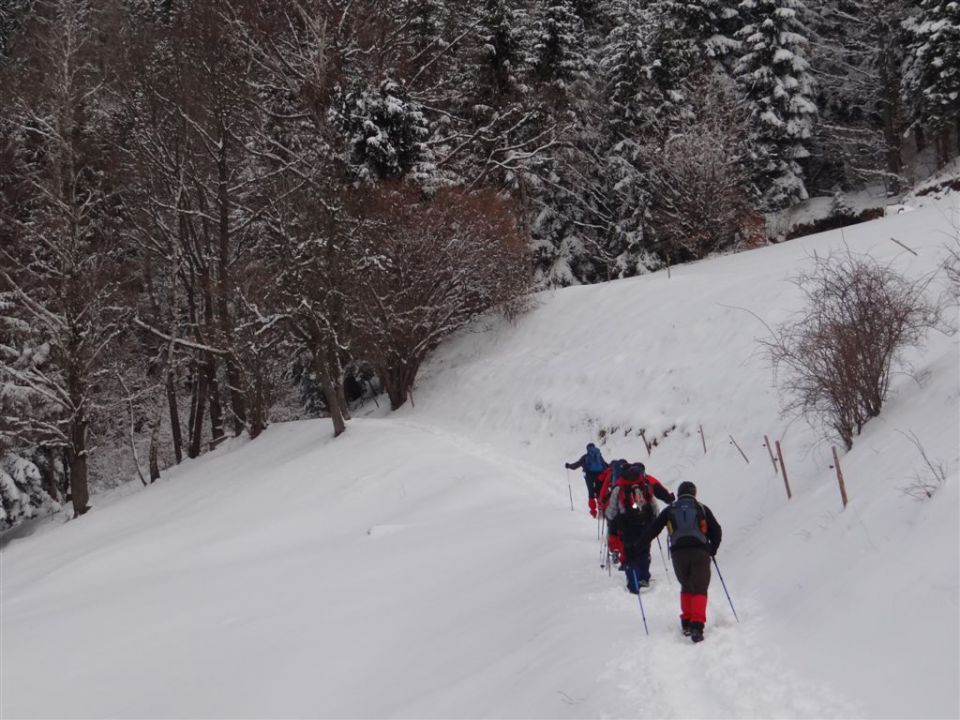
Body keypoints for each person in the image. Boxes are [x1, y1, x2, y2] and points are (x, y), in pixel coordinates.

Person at [644, 481, 722, 643]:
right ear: (694, 493)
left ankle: (686, 622)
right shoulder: (701, 508)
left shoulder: (670, 509)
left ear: (679, 494)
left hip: (679, 553)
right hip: (700, 551)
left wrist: (637, 546)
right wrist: (712, 549)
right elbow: (716, 530)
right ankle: (697, 626)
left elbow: (653, 529)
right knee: (700, 588)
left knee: (686, 585)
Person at [605, 463, 675, 588]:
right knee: (643, 550)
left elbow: (611, 511)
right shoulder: (644, 483)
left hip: (627, 525)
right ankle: (644, 577)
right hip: (645, 523)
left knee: (629, 551)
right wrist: (654, 520)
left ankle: (633, 581)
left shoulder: (619, 486)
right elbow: (653, 504)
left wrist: (611, 520)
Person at [565, 443, 607, 517]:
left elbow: (576, 465)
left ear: (587, 449)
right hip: (600, 475)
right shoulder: (599, 456)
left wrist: (569, 466)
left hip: (589, 476)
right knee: (600, 492)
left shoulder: (585, 457)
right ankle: (602, 509)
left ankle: (593, 512)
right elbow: (605, 465)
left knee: (591, 494)